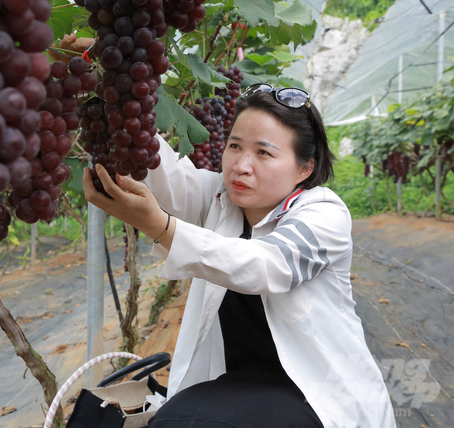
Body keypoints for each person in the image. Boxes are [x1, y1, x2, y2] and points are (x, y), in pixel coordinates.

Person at [82, 84, 397, 428]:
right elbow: (165, 173)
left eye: (264, 153)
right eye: (235, 146)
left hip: (315, 393)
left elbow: (265, 265)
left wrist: (160, 226)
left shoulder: (324, 214)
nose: (241, 166)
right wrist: (111, 87)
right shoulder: (219, 199)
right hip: (239, 385)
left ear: (305, 167)